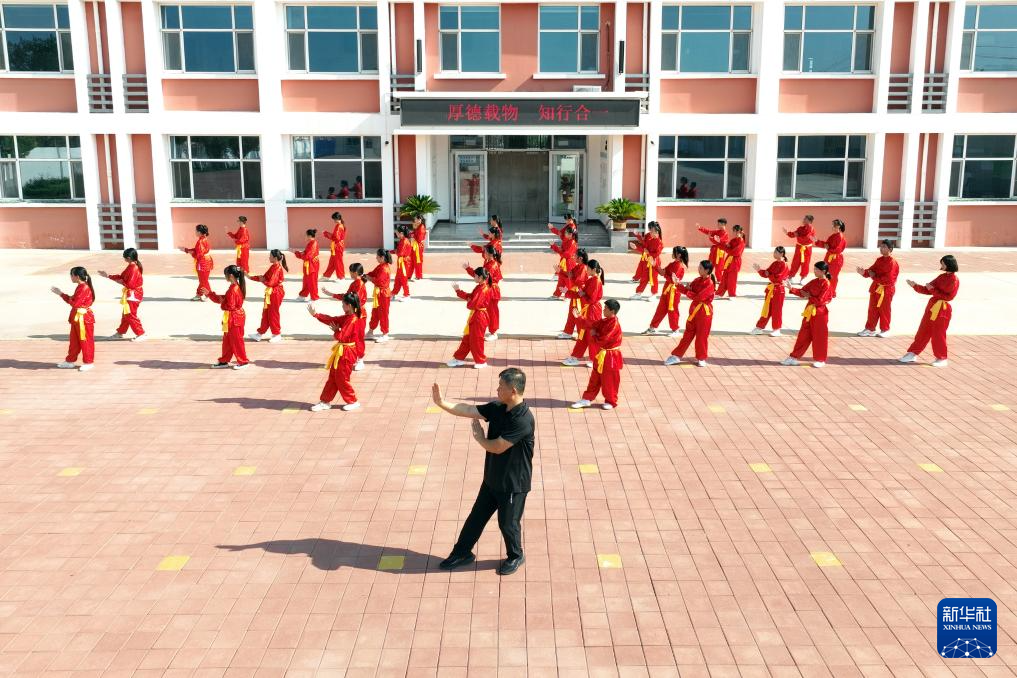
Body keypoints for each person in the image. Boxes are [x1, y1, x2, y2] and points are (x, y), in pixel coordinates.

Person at [432, 369, 535, 576]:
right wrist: (442, 403)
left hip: (513, 484)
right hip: (492, 479)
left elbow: (497, 447)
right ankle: (462, 553)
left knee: (507, 524)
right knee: (476, 518)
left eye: (501, 386)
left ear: (513, 391)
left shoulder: (522, 420)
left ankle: (516, 555)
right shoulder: (497, 408)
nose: (497, 389)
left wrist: (479, 437)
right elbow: (468, 409)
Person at [899, 255, 960, 368]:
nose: (941, 265)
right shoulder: (941, 277)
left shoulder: (954, 280)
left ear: (949, 264)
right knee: (923, 330)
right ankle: (913, 353)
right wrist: (915, 286)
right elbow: (928, 289)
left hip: (942, 309)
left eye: (943, 263)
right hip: (932, 307)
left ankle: (942, 358)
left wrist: (933, 290)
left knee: (938, 334)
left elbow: (949, 297)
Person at [308, 294, 361, 412]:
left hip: (347, 353)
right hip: (342, 351)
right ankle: (325, 401)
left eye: (343, 304)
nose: (342, 306)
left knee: (342, 378)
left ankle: (353, 401)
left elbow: (342, 336)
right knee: (333, 376)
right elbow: (333, 320)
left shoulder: (352, 320)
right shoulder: (348, 317)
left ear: (349, 305)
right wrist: (316, 315)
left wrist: (337, 331)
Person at [570, 298, 623, 410]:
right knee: (595, 377)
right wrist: (580, 317)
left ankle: (611, 401)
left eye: (606, 308)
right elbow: (593, 324)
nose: (603, 310)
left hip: (611, 356)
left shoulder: (614, 325)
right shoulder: (605, 321)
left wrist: (594, 335)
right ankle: (587, 399)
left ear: (612, 311)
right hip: (602, 354)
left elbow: (603, 340)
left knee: (609, 380)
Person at [781, 261, 833, 368]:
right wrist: (791, 289)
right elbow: (803, 291)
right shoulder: (814, 281)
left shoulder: (826, 284)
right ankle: (794, 357)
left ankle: (820, 359)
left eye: (816, 269)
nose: (814, 271)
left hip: (820, 313)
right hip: (809, 312)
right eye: (814, 269)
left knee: (819, 336)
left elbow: (820, 301)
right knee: (803, 335)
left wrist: (809, 296)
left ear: (823, 271)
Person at [665, 260, 716, 367]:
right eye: (699, 267)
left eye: (701, 268)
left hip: (704, 313)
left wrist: (689, 291)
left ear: (707, 270)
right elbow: (687, 290)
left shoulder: (710, 284)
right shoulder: (697, 280)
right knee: (687, 335)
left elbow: (699, 297)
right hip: (694, 311)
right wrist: (677, 284)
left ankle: (701, 358)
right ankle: (676, 356)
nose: (698, 269)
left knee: (701, 336)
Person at [199, 265, 249, 370]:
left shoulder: (234, 289)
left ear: (231, 276)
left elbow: (229, 305)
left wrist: (222, 303)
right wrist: (210, 294)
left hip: (234, 318)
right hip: (232, 317)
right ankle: (224, 360)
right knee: (227, 340)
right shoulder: (233, 287)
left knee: (237, 340)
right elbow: (224, 299)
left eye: (225, 275)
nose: (225, 277)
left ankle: (243, 361)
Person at [51, 266, 96, 371]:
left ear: (77, 276)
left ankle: (88, 362)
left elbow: (75, 303)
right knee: (74, 341)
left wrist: (62, 295)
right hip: (78, 318)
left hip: (84, 319)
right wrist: (62, 294)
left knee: (85, 341)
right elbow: (74, 301)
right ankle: (70, 361)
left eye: (71, 275)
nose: (70, 277)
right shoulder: (81, 286)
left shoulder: (84, 288)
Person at [562, 258, 605, 366]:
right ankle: (576, 357)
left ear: (593, 269)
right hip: (588, 309)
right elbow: (581, 294)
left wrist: (582, 294)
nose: (586, 271)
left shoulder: (596, 282)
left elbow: (590, 299)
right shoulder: (592, 280)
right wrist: (568, 292)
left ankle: (593, 359)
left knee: (590, 336)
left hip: (593, 311)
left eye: (588, 269)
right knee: (583, 334)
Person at [448, 267, 492, 369]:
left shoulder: (483, 289)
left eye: (475, 276)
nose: (474, 277)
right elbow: (470, 297)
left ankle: (481, 361)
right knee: (467, 339)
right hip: (476, 315)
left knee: (476, 340)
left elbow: (473, 303)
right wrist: (458, 291)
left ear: (480, 277)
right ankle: (459, 358)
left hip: (479, 317)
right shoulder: (480, 287)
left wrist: (469, 301)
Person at [98, 248, 146, 341]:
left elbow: (129, 284)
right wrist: (108, 276)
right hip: (131, 294)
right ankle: (120, 332)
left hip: (133, 295)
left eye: (124, 258)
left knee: (130, 315)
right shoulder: (132, 266)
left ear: (128, 258)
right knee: (126, 314)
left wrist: (120, 282)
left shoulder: (134, 268)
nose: (124, 259)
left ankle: (141, 333)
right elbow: (121, 277)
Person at [856, 239, 900, 338]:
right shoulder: (879, 260)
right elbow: (872, 270)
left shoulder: (892, 263)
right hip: (876, 288)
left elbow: (889, 279)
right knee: (872, 309)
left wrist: (873, 276)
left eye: (884, 247)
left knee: (884, 310)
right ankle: (870, 329)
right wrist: (864, 272)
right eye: (881, 246)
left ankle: (885, 329)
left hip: (886, 290)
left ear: (890, 249)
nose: (881, 248)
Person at [643, 246, 688, 337]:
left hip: (674, 291)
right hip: (667, 289)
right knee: (661, 309)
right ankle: (652, 327)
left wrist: (666, 276)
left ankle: (675, 329)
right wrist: (655, 265)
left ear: (678, 255)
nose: (672, 253)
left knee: (672, 310)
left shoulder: (680, 266)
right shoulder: (672, 264)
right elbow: (663, 272)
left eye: (674, 252)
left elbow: (673, 280)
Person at [464, 245, 502, 341]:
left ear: (489, 254)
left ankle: (494, 333)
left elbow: (481, 276)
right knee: (489, 311)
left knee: (492, 312)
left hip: (492, 291)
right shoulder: (488, 262)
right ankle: (490, 330)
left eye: (485, 252)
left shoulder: (492, 265)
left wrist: (468, 269)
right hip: (489, 289)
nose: (483, 253)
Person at [249, 249, 288, 343]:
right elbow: (264, 277)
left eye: (270, 256)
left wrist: (263, 280)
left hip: (276, 292)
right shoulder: (273, 266)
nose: (269, 257)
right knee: (266, 313)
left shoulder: (277, 268)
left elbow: (270, 282)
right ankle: (259, 334)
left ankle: (277, 334)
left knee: (273, 314)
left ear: (275, 258)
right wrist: (250, 277)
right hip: (271, 292)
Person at [751, 247, 789, 337]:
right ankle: (759, 327)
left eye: (776, 252)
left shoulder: (784, 265)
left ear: (781, 254)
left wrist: (769, 275)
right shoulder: (775, 263)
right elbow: (767, 273)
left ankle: (777, 329)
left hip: (779, 290)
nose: (774, 254)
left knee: (777, 310)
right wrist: (760, 270)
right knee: (767, 308)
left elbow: (778, 277)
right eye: (774, 252)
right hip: (771, 289)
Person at [559, 249, 590, 339]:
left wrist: (570, 278)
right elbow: (570, 275)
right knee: (572, 313)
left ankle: (581, 334)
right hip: (575, 293)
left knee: (577, 314)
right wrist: (561, 272)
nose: (573, 257)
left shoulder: (583, 268)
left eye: (575, 256)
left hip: (579, 294)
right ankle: (568, 332)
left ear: (580, 258)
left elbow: (578, 281)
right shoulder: (578, 266)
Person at [630, 222, 663, 300]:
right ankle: (638, 293)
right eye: (650, 230)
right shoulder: (649, 236)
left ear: (656, 231)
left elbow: (655, 254)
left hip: (654, 262)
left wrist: (638, 248)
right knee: (644, 277)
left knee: (653, 278)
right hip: (647, 260)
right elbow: (644, 246)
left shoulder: (659, 243)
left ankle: (654, 294)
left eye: (651, 230)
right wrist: (637, 238)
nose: (649, 232)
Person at [365, 249, 392, 342]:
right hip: (378, 294)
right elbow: (373, 273)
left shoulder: (384, 269)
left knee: (383, 314)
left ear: (382, 257)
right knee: (375, 313)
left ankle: (385, 334)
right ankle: (370, 332)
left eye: (377, 256)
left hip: (383, 294)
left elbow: (379, 281)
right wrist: (365, 275)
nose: (376, 257)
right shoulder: (381, 266)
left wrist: (369, 278)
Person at [182, 224, 213, 301]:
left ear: (199, 232)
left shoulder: (200, 241)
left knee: (203, 281)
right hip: (207, 261)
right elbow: (197, 250)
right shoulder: (203, 239)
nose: (195, 232)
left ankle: (209, 295)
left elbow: (198, 254)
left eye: (196, 231)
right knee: (203, 280)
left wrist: (190, 253)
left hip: (203, 263)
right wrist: (187, 250)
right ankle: (199, 295)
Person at [816, 219, 847, 297]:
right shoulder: (833, 236)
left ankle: (831, 292)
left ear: (838, 226)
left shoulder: (840, 236)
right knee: (826, 274)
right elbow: (826, 244)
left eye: (833, 225)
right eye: (832, 225)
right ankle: (826, 291)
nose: (832, 227)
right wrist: (817, 241)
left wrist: (828, 248)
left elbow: (837, 249)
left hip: (836, 259)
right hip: (829, 258)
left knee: (832, 277)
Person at [716, 224, 746, 298]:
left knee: (732, 279)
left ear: (740, 232)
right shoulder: (733, 240)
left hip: (735, 261)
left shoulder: (741, 241)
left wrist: (727, 248)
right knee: (724, 277)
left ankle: (732, 294)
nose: (735, 233)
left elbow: (735, 252)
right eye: (734, 231)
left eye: (736, 231)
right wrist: (719, 242)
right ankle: (719, 293)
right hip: (729, 260)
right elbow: (726, 246)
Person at [549, 224, 578, 299]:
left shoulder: (572, 242)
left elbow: (566, 254)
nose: (564, 234)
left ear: (570, 234)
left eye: (566, 233)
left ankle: (569, 294)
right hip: (564, 262)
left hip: (569, 263)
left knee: (567, 279)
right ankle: (557, 294)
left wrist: (554, 246)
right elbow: (562, 250)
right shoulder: (566, 240)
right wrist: (554, 246)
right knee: (561, 278)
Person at [786, 214, 816, 283]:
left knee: (805, 263)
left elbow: (805, 238)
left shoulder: (811, 229)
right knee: (795, 262)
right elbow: (794, 234)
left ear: (809, 221)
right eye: (804, 219)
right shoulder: (800, 228)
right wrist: (787, 233)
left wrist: (798, 236)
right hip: (799, 247)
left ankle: (803, 278)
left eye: (805, 219)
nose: (803, 220)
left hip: (806, 249)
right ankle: (790, 277)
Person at [292, 229, 320, 301]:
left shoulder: (313, 243)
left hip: (312, 265)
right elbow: (305, 253)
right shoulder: (310, 243)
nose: (306, 237)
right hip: (308, 264)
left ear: (309, 236)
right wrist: (297, 252)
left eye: (306, 235)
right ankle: (303, 295)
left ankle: (314, 297)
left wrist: (298, 253)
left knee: (312, 281)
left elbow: (308, 256)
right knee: (306, 281)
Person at [321, 212, 346, 281]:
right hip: (336, 246)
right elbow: (335, 236)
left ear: (337, 218)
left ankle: (341, 277)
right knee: (332, 262)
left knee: (338, 262)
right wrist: (326, 233)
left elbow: (336, 238)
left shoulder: (339, 226)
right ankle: (326, 276)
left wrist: (326, 233)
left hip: (338, 246)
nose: (334, 221)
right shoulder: (339, 225)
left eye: (334, 219)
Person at [391, 226, 413, 300]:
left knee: (403, 279)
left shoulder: (404, 241)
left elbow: (400, 253)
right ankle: (394, 293)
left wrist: (395, 251)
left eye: (397, 233)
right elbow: (398, 251)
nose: (396, 234)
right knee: (398, 278)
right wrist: (392, 251)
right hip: (402, 262)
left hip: (404, 263)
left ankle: (407, 294)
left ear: (401, 233)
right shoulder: (403, 240)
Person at [411, 215, 428, 280]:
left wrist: (413, 234)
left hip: (418, 246)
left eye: (418, 219)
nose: (416, 221)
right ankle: (415, 275)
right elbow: (413, 234)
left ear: (421, 220)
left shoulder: (421, 227)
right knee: (414, 260)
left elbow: (419, 239)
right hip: (415, 245)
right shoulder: (418, 226)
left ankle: (418, 275)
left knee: (417, 261)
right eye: (416, 219)